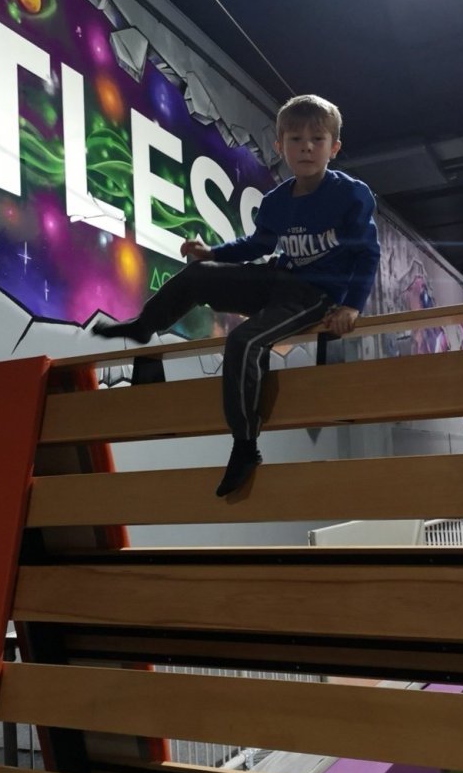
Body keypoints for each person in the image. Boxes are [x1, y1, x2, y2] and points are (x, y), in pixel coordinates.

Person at [93, 94, 380, 496]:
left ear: (334, 148)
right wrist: (212, 253)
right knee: (200, 275)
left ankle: (245, 446)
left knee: (244, 341)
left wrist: (351, 305)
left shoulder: (350, 195)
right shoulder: (277, 201)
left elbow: (367, 253)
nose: (307, 148)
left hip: (317, 294)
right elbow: (257, 245)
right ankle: (144, 326)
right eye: (296, 140)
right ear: (280, 147)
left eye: (317, 140)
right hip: (278, 277)